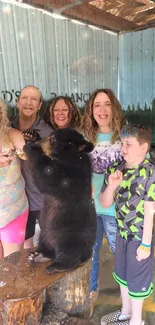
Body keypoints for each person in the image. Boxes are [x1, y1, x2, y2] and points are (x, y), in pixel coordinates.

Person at [100, 124, 155, 325]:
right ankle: (125, 312)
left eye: (129, 144)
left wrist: (146, 245)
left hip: (140, 237)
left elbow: (150, 210)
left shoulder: (151, 173)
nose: (123, 149)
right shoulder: (115, 169)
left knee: (137, 279)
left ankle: (136, 320)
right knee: (121, 273)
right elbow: (104, 202)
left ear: (144, 147)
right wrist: (112, 187)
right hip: (121, 233)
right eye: (122, 143)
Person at [81, 88, 125, 315]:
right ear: (91, 110)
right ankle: (91, 294)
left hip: (116, 210)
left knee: (123, 252)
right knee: (91, 252)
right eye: (97, 105)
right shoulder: (85, 138)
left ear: (114, 107)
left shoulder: (125, 136)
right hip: (90, 208)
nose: (102, 110)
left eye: (106, 104)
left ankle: (131, 303)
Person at [12, 85, 53, 249]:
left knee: (51, 245)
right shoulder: (7, 127)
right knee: (24, 245)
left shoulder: (46, 133)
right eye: (24, 98)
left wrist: (37, 147)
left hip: (42, 200)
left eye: (34, 99)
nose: (28, 103)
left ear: (39, 105)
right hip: (16, 201)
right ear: (17, 102)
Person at [0, 100, 28, 258]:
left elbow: (26, 154)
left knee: (12, 266)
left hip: (13, 211)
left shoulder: (12, 134)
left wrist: (28, 150)